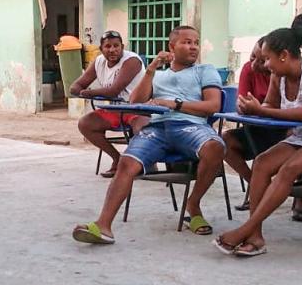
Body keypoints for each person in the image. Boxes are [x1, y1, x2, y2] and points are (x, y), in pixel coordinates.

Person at [214, 14, 302, 257]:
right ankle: (256, 236)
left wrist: (261, 109)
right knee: (261, 163)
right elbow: (270, 106)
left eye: (267, 58)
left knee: (289, 169)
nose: (265, 65)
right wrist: (251, 107)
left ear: (283, 55)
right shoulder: (278, 76)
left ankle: (245, 229)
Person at [72, 25, 226, 244]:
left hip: (191, 126)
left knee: (215, 147)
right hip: (158, 128)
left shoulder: (205, 70)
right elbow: (135, 101)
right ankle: (103, 226)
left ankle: (193, 205)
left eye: (196, 42)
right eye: (187, 42)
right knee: (127, 162)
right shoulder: (158, 75)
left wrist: (174, 103)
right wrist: (151, 69)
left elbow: (212, 105)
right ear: (172, 46)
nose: (193, 47)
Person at [69, 30, 148, 177]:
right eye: (108, 46)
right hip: (113, 109)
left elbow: (113, 90)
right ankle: (117, 159)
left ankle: (141, 164)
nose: (112, 50)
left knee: (143, 130)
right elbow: (75, 86)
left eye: (116, 46)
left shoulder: (131, 61)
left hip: (136, 108)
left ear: (122, 47)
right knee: (85, 124)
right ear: (101, 49)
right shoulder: (99, 61)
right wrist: (82, 90)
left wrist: (87, 92)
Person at [221, 38, 286, 211]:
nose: (255, 64)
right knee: (225, 141)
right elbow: (242, 102)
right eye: (252, 57)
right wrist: (246, 107)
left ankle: (300, 201)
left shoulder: (283, 75)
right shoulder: (248, 70)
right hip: (257, 130)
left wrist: (258, 108)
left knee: (298, 141)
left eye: (262, 60)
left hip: (284, 131)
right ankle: (258, 185)